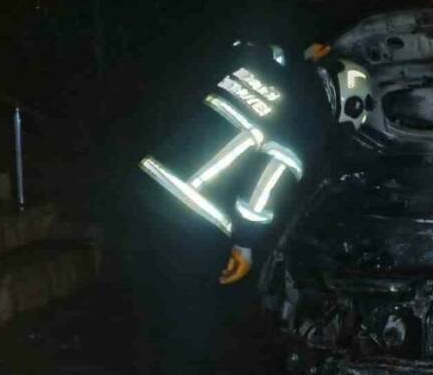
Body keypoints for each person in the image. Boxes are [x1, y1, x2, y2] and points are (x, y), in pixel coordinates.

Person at [140, 40, 373, 286]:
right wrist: (244, 244)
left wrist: (302, 55)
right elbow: (266, 185)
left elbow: (246, 45)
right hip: (190, 215)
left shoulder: (259, 64)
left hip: (149, 175)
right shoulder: (309, 120)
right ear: (349, 102)